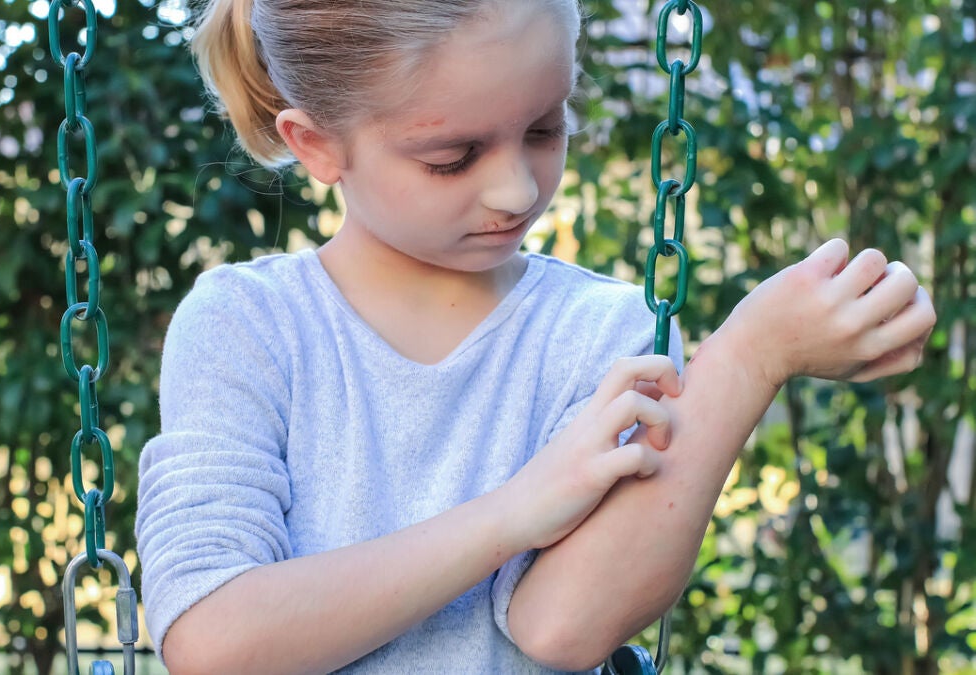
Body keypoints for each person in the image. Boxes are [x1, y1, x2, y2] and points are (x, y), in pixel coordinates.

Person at [135, 0, 937, 672]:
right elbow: (213, 639)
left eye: (545, 128)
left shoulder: (599, 331)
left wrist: (750, 357)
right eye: (453, 157)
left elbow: (561, 626)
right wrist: (512, 512)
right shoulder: (248, 325)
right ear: (315, 145)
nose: (516, 189)